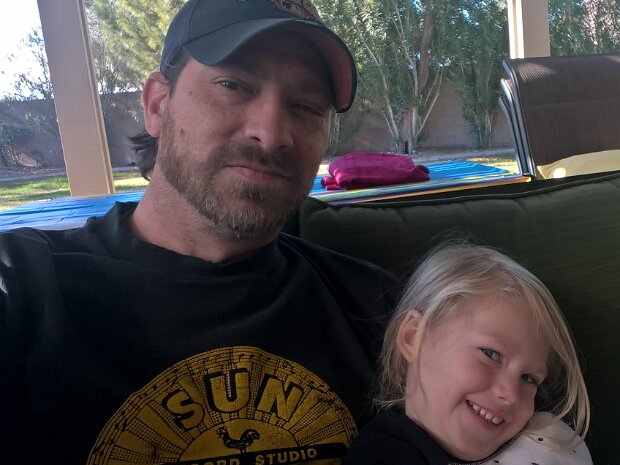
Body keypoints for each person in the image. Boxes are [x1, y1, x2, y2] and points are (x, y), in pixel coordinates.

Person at [0, 1, 400, 464]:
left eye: (306, 106)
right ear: (157, 105)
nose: (272, 134)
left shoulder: (381, 313)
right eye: (233, 85)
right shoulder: (26, 290)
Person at [344, 243, 592, 465]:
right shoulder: (381, 453)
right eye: (490, 354)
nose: (510, 394)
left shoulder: (538, 442)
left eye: (528, 378)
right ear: (413, 338)